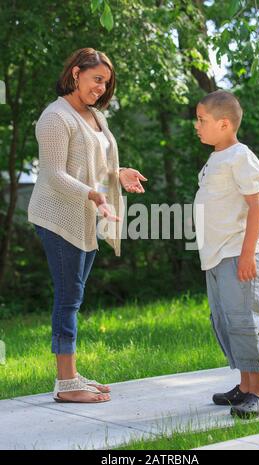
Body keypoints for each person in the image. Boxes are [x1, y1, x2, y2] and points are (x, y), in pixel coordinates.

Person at [28, 48, 147, 404]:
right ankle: (66, 383)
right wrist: (94, 194)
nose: (101, 88)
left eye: (105, 83)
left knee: (74, 297)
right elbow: (53, 174)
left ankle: (71, 375)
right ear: (76, 73)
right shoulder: (55, 117)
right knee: (69, 298)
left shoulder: (94, 116)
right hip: (58, 217)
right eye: (97, 79)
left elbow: (95, 164)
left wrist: (118, 174)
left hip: (84, 216)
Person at [193, 90, 259, 419]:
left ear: (224, 124)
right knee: (226, 321)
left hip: (236, 253)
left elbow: (257, 205)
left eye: (202, 120)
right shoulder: (216, 157)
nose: (196, 126)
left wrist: (245, 255)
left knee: (245, 320)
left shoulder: (241, 156)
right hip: (214, 256)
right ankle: (244, 386)